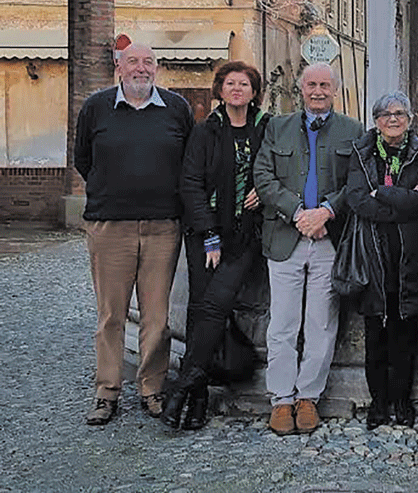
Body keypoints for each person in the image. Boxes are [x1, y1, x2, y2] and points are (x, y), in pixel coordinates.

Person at [74, 43, 193, 425]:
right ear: (119, 68)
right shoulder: (96, 107)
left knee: (157, 318)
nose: (141, 69)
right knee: (111, 315)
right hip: (110, 227)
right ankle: (107, 391)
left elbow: (189, 162)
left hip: (163, 227)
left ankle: (152, 389)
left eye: (148, 62)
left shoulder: (177, 109)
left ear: (156, 69)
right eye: (133, 62)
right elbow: (83, 159)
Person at [254, 62, 364, 435]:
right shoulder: (277, 127)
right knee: (282, 324)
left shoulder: (353, 130)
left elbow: (357, 182)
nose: (318, 91)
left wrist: (327, 212)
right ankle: (281, 399)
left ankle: (308, 398)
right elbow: (263, 176)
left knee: (321, 323)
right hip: (286, 237)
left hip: (328, 239)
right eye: (311, 85)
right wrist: (298, 213)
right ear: (300, 89)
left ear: (335, 89)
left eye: (325, 85)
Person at [161, 61, 271, 430]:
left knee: (213, 305)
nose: (237, 89)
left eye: (244, 84)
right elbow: (190, 184)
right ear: (220, 90)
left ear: (254, 92)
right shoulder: (205, 131)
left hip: (245, 236)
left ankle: (185, 384)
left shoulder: (265, 129)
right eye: (230, 83)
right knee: (199, 306)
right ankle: (197, 399)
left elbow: (278, 171)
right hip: (206, 234)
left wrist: (265, 192)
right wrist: (208, 234)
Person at [344, 91, 418, 430]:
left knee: (406, 335)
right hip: (373, 255)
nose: (393, 119)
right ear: (376, 121)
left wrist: (385, 194)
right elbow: (356, 198)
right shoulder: (361, 152)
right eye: (385, 114)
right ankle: (379, 404)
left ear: (409, 119)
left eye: (399, 113)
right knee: (375, 336)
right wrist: (404, 204)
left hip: (409, 256)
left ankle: (403, 401)